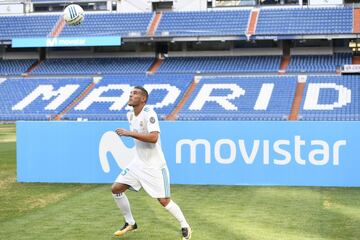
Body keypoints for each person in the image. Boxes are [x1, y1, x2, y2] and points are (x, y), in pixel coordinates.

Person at [112, 86, 192, 239]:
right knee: (116, 189)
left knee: (164, 201)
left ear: (143, 99)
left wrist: (129, 133)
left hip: (154, 166)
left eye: (134, 93)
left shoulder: (149, 113)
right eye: (130, 93)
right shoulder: (130, 115)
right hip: (138, 163)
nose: (130, 95)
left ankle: (185, 225)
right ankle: (130, 222)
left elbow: (154, 138)